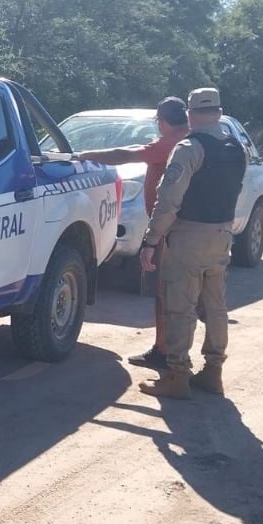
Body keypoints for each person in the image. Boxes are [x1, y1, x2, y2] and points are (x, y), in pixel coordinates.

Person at [137, 87, 245, 399]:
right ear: (219, 113)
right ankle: (213, 371)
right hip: (221, 234)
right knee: (215, 306)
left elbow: (168, 200)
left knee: (179, 307)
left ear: (190, 115)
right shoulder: (236, 147)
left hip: (188, 236)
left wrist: (151, 240)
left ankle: (177, 375)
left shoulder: (188, 148)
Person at [76, 97, 189, 372]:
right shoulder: (190, 139)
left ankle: (168, 354)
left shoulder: (171, 143)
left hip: (170, 229)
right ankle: (170, 351)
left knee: (165, 292)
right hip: (185, 228)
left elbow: (126, 155)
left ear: (162, 121)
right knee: (178, 292)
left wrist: (84, 155)